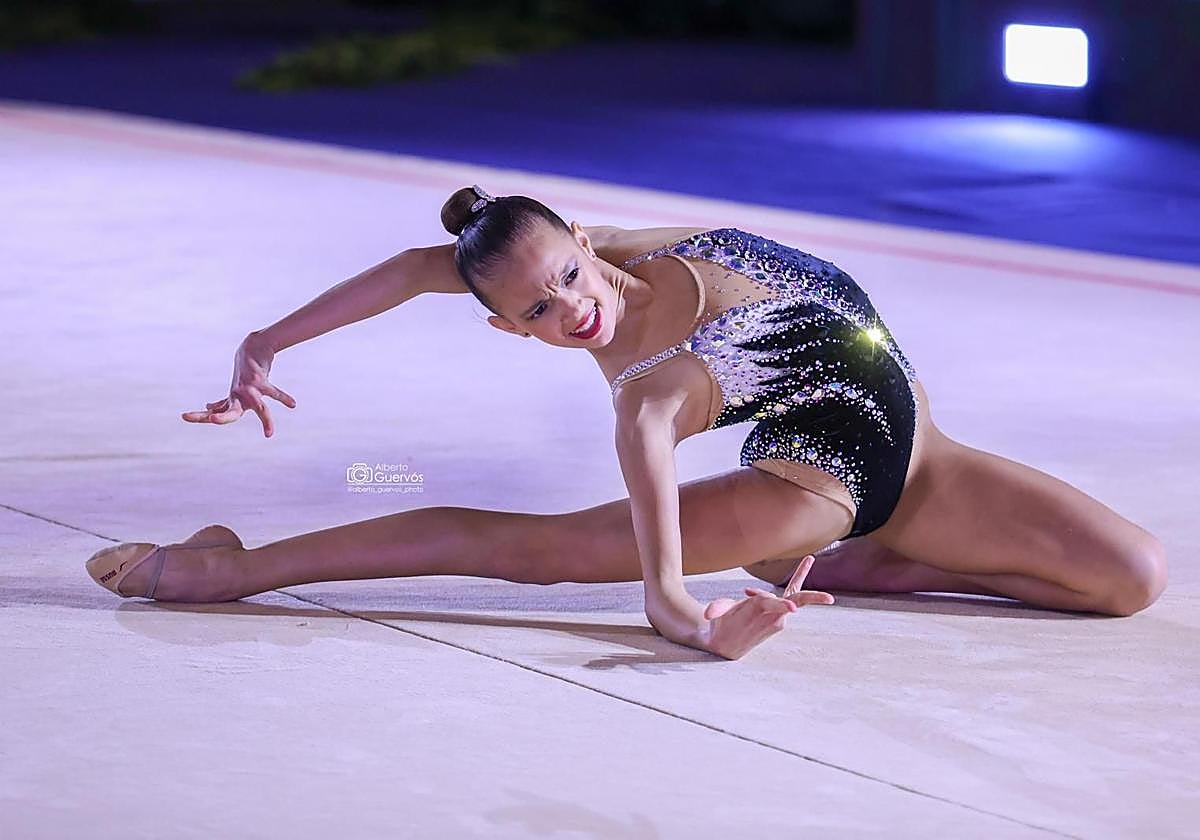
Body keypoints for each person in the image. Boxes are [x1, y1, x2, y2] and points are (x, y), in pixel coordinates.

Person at [84, 186, 1168, 660]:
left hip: (923, 458)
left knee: (1132, 577)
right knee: (534, 550)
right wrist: (686, 617)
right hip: (804, 486)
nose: (571, 307)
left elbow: (429, 264)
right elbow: (660, 587)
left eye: (565, 274)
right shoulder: (650, 385)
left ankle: (888, 564)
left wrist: (267, 340)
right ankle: (229, 569)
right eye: (539, 314)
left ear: (578, 234)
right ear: (513, 331)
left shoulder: (606, 247)